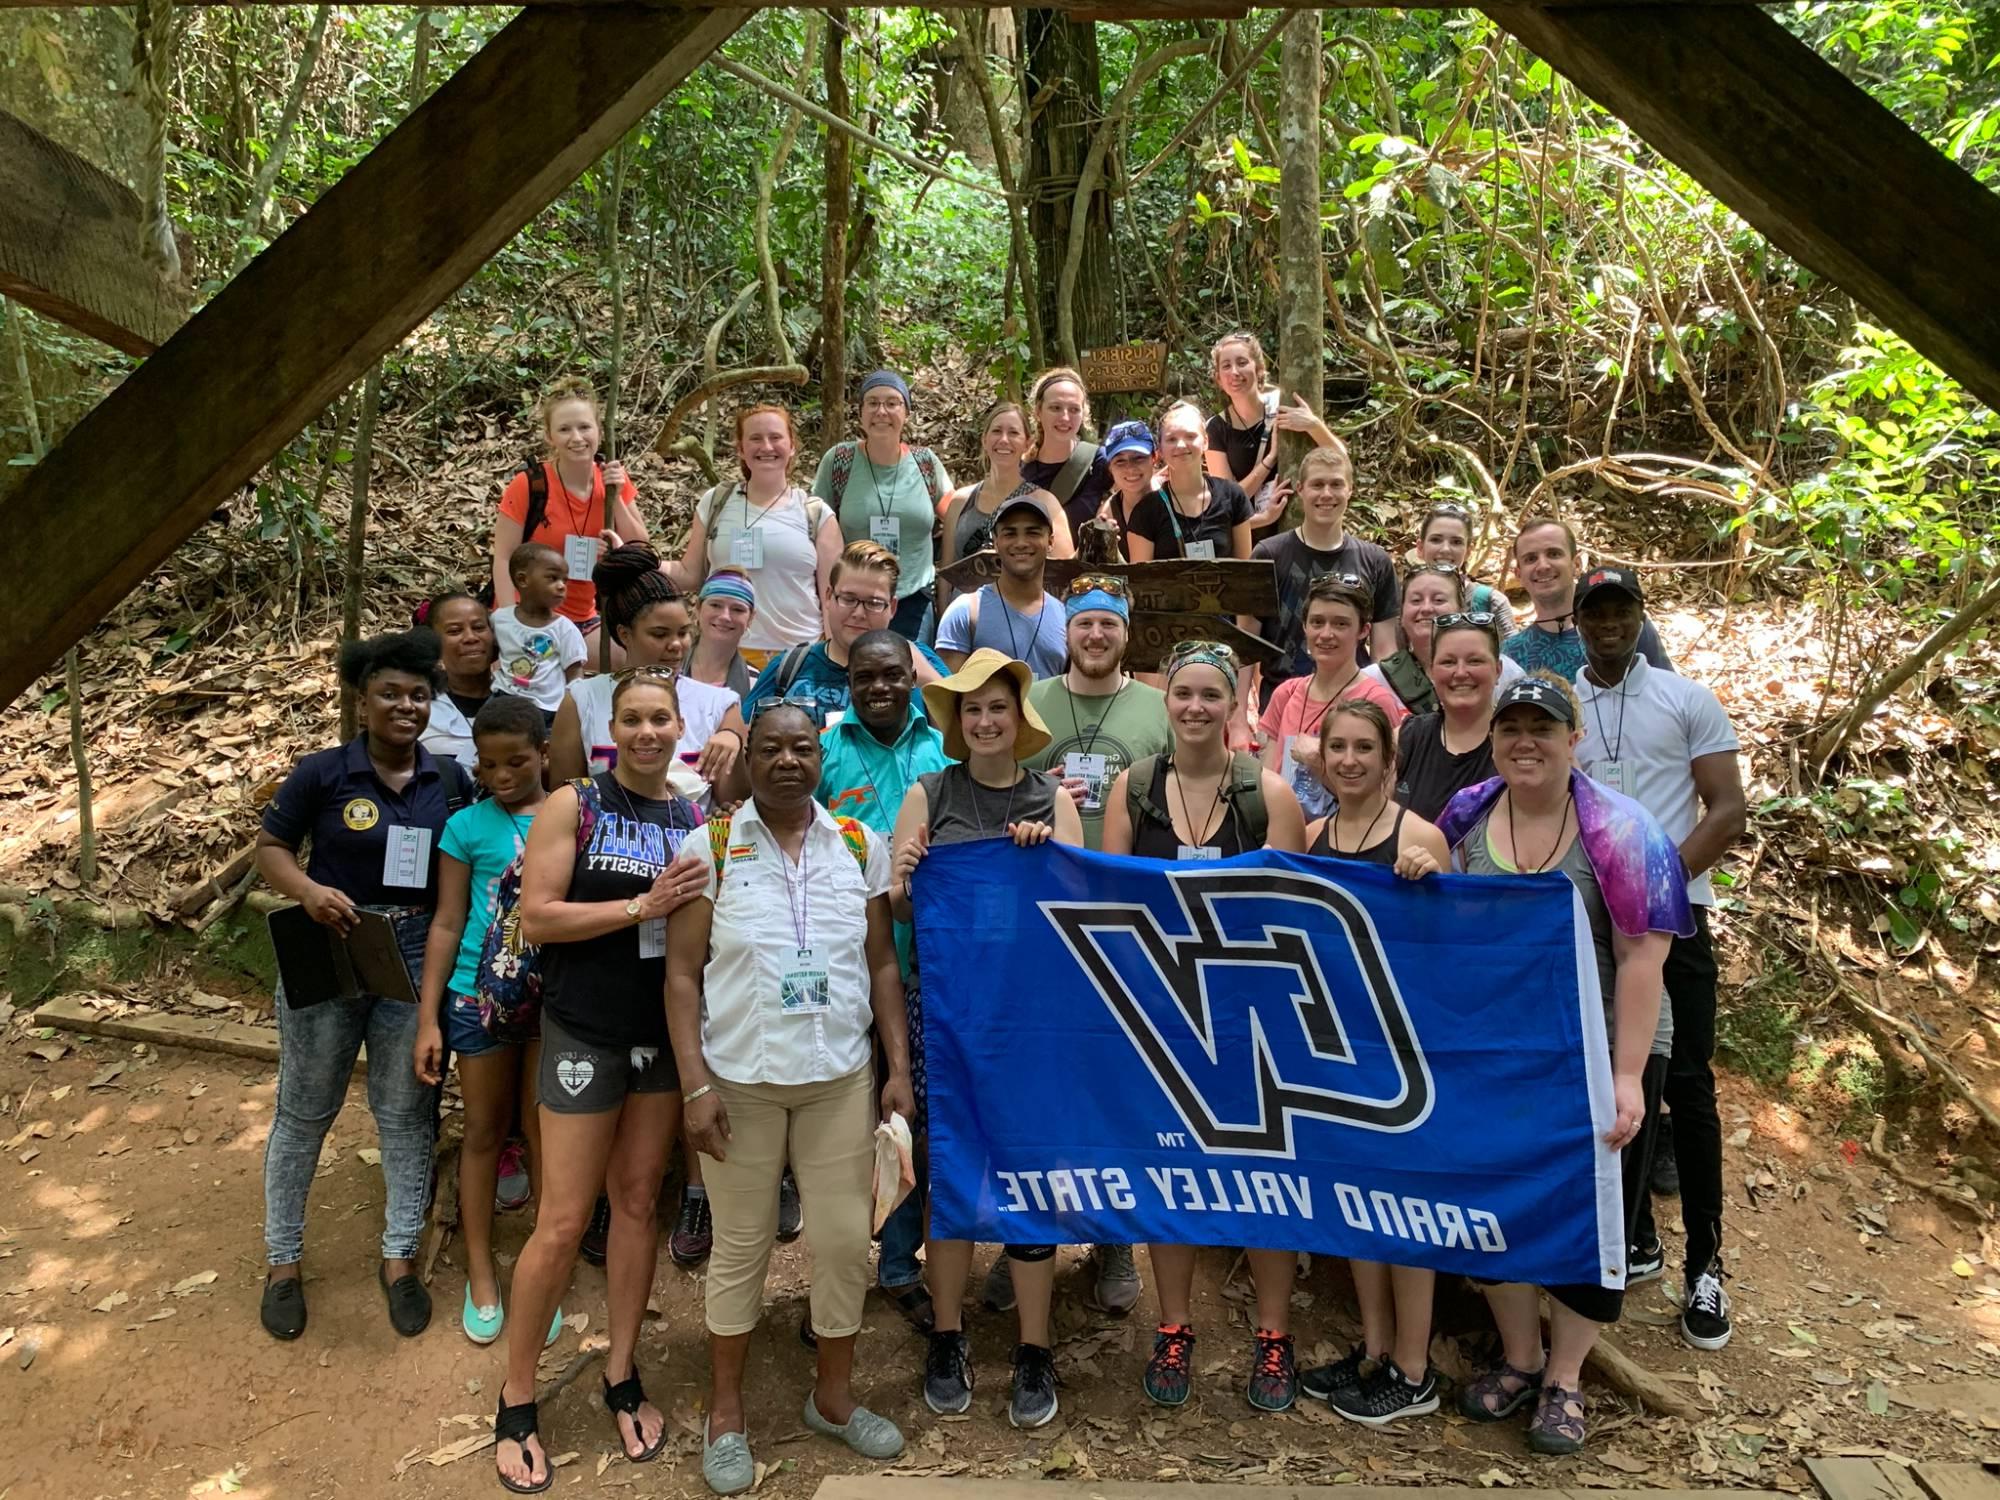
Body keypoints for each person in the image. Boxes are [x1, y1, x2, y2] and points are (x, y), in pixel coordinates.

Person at [1437, 674, 1691, 1455]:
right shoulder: (1468, 815)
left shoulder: (1620, 829)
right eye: (1511, 727)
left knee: (1592, 1212)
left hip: (1604, 1046)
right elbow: (1440, 924)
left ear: (1572, 738)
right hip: (1500, 1050)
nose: (1524, 742)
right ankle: (1519, 1356)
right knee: (1499, 1204)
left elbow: (1644, 959)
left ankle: (1566, 1378)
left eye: (1542, 728)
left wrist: (1623, 1077)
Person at [667, 701, 914, 1495]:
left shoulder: (856, 842)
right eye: (768, 748)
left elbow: (881, 965)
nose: (785, 761)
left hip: (838, 1079)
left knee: (844, 1243)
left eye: (800, 748)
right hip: (740, 1081)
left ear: (819, 756)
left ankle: (833, 1399)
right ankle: (727, 1413)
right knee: (741, 1248)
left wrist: (896, 1068)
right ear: (748, 761)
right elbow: (679, 976)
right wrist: (695, 1084)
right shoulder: (708, 847)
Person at [492, 671, 711, 1493]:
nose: (649, 731)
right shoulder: (574, 804)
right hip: (582, 1031)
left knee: (635, 1202)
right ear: (611, 728)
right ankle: (517, 1399)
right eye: (634, 719)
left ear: (679, 727)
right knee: (559, 1220)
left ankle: (621, 1372)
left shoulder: (690, 817)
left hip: (657, 1037)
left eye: (661, 718)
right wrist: (638, 908)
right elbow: (539, 916)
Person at [1099, 641, 1307, 1413]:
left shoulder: (1268, 794)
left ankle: (1274, 1336)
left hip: (1251, 1016)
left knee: (1266, 1183)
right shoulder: (1135, 788)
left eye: (1209, 696)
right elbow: (1109, 898)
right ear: (1166, 700)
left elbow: (1292, 913)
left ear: (1234, 705)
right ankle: (1175, 1326)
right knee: (1171, 1173)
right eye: (1182, 693)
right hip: (1162, 1014)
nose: (1194, 707)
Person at [254, 629, 471, 1342]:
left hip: (414, 950)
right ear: (362, 699)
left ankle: (399, 1258)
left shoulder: (450, 778)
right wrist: (309, 891)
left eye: (418, 694)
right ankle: (283, 1263)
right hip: (330, 940)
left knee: (406, 1108)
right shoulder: (323, 773)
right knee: (305, 1107)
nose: (405, 706)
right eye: (389, 693)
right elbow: (272, 848)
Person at [889, 650, 1084, 1429]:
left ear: (1018, 717)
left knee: (1030, 1171)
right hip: (947, 1015)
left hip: (1032, 1018)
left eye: (997, 707)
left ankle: (1035, 1349)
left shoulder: (1053, 798)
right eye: (971, 710)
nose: (984, 720)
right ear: (957, 723)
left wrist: (1049, 858)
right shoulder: (928, 793)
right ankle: (948, 1334)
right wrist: (906, 872)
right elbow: (902, 909)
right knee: (953, 1171)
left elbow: (1080, 909)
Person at [1571, 565, 1746, 1350]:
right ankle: (1631, 1229)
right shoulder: (1561, 707)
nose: (1610, 625)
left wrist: (1658, 885)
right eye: (1596, 613)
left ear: (1643, 616)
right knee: (1607, 1076)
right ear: (1576, 622)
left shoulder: (1685, 699)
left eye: (1623, 610)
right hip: (1588, 926)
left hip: (1674, 923)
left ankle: (1705, 1264)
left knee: (1686, 1084)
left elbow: (1728, 808)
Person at [1293, 699, 1450, 1424]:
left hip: (1402, 1057)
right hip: (1332, 1055)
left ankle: (1415, 1370)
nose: (1350, 760)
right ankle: (1375, 1349)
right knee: (1356, 1210)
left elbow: (1452, 953)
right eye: (1338, 747)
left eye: (1365, 748)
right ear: (1322, 759)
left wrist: (1429, 877)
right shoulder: (1313, 835)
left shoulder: (1418, 836)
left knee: (1405, 1213)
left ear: (1392, 761)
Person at [412, 695, 563, 1346]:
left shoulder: (571, 816)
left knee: (540, 1131)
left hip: (555, 994)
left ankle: (538, 1272)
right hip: (478, 995)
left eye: (518, 762)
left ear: (545, 756)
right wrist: (428, 1018)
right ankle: (480, 1270)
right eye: (489, 764)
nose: (502, 776)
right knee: (483, 1131)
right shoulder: (465, 828)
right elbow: (446, 921)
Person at [814, 630, 953, 1330]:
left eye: (892, 675)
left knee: (909, 1117)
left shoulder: (942, 746)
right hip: (842, 963)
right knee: (842, 1121)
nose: (879, 688)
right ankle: (834, 1271)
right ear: (849, 682)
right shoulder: (824, 753)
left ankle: (902, 1262)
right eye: (865, 676)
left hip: (929, 963)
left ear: (911, 677)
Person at [548, 544, 741, 807]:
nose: (676, 645)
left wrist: (736, 741)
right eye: (660, 634)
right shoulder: (582, 699)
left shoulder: (719, 705)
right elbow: (565, 799)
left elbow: (734, 805)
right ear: (625, 634)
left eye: (683, 632)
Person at [668, 404, 840, 664]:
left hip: (799, 654)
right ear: (741, 448)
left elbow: (832, 597)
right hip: (725, 652)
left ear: (792, 445)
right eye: (755, 439)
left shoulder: (816, 514)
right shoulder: (716, 502)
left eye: (776, 437)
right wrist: (633, 558)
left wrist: (832, 660)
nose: (766, 447)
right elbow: (689, 575)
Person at [491, 377, 649, 661]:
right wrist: (508, 622)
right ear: (550, 436)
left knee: (635, 661)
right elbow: (503, 557)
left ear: (599, 431)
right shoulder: (530, 485)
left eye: (584, 427)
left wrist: (616, 499)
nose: (576, 438)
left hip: (584, 619)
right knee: (544, 677)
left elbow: (640, 549)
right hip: (530, 615)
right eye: (564, 429)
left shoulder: (613, 479)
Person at [726, 542, 948, 736]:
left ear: (892, 607)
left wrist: (929, 682)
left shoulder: (920, 660)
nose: (859, 613)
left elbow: (965, 742)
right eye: (849, 599)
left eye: (873, 603)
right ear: (829, 597)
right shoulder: (789, 667)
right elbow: (744, 740)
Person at [1240, 442, 1397, 712]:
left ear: (1350, 490)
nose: (1327, 494)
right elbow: (1246, 642)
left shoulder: (1375, 561)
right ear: (1300, 489)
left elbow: (1385, 651)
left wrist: (1384, 710)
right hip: (1282, 703)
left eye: (1336, 485)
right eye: (1317, 485)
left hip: (1354, 706)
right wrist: (1239, 715)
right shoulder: (1269, 554)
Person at [1022, 575, 1171, 855]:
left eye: (1109, 624)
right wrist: (1034, 792)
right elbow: (991, 789)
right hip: (1044, 877)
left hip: (1130, 879)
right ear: (1066, 631)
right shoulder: (1027, 703)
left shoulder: (1163, 709)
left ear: (1127, 633)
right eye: (1084, 623)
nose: (1096, 635)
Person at [813, 370, 952, 642]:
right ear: (861, 413)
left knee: (910, 676)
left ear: (906, 413)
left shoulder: (925, 463)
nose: (882, 411)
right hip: (855, 599)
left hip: (914, 598)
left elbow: (956, 513)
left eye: (892, 403)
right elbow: (816, 525)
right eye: (873, 403)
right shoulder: (839, 461)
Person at [1257, 578, 1410, 818]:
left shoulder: (1376, 701)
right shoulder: (1286, 694)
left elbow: (1381, 798)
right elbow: (1267, 781)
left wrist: (1319, 763)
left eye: (1340, 624)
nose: (1326, 634)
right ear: (1304, 626)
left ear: (1363, 631)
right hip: (1284, 837)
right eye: (1317, 622)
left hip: (1340, 842)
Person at [938, 402, 1074, 613]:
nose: (1004, 440)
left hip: (1022, 617)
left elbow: (1063, 574)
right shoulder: (960, 501)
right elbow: (946, 576)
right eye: (996, 431)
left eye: (1013, 433)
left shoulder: (1045, 503)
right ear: (984, 439)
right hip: (965, 620)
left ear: (1027, 443)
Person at [1504, 517, 1671, 681]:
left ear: (1576, 564)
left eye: (1554, 554)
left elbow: (1670, 693)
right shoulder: (1511, 653)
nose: (1543, 566)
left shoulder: (1624, 627)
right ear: (1518, 574)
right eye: (1530, 559)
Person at [1204, 331, 1339, 530]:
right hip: (1252, 535)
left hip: (1300, 527)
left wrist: (1313, 425)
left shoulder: (1283, 405)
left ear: (1259, 369)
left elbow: (1340, 459)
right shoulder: (1216, 428)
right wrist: (1270, 459)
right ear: (1218, 379)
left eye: (1242, 363)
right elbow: (1227, 503)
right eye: (1226, 366)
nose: (1234, 372)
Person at [1358, 565, 1524, 719]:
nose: (1426, 608)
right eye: (1416, 601)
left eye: (1439, 600)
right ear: (1401, 614)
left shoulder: (1505, 672)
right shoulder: (1374, 679)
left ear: (1461, 610)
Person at [935, 494, 1067, 679]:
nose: (1021, 543)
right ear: (996, 542)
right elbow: (946, 700)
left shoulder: (1066, 617)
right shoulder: (966, 612)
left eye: (1033, 532)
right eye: (1010, 533)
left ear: (1050, 541)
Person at [1393, 613, 1506, 822]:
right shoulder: (1405, 738)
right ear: (1432, 671)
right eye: (1448, 662)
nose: (1461, 672)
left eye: (1474, 661)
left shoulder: (1520, 742)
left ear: (1498, 670)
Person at [1126, 401, 1253, 565]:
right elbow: (1140, 583)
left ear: (1206, 442)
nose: (1180, 445)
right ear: (1160, 450)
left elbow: (1247, 571)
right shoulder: (1146, 511)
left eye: (1190, 436)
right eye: (1171, 439)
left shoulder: (1233, 496)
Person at [492, 542, 588, 721]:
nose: (562, 586)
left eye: (564, 580)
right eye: (552, 578)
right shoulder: (500, 619)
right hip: (504, 699)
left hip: (546, 708)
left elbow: (575, 674)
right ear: (523, 580)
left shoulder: (564, 629)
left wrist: (574, 709)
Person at [1020, 366, 1112, 537]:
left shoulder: (1098, 461)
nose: (1065, 418)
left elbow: (1135, 488)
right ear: (1038, 411)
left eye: (1074, 409)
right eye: (1055, 408)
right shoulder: (1019, 469)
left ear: (1084, 414)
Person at [417, 592, 496, 771]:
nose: (470, 637)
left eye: (478, 627)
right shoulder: (419, 708)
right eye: (455, 631)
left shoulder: (521, 698)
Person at [1416, 501, 1516, 637]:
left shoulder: (1491, 602)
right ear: (1420, 548)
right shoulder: (1402, 601)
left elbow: (1513, 655)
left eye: (1456, 542)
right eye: (1436, 540)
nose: (1445, 549)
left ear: (1468, 551)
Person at [688, 571, 758, 698]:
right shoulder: (669, 666)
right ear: (698, 608)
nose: (725, 616)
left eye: (737, 609)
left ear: (751, 618)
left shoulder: (754, 684)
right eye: (715, 605)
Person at [1099, 419, 1157, 556]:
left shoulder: (1174, 499)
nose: (1130, 468)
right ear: (1110, 468)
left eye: (1138, 458)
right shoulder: (1109, 514)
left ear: (1154, 458)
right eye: (1120, 461)